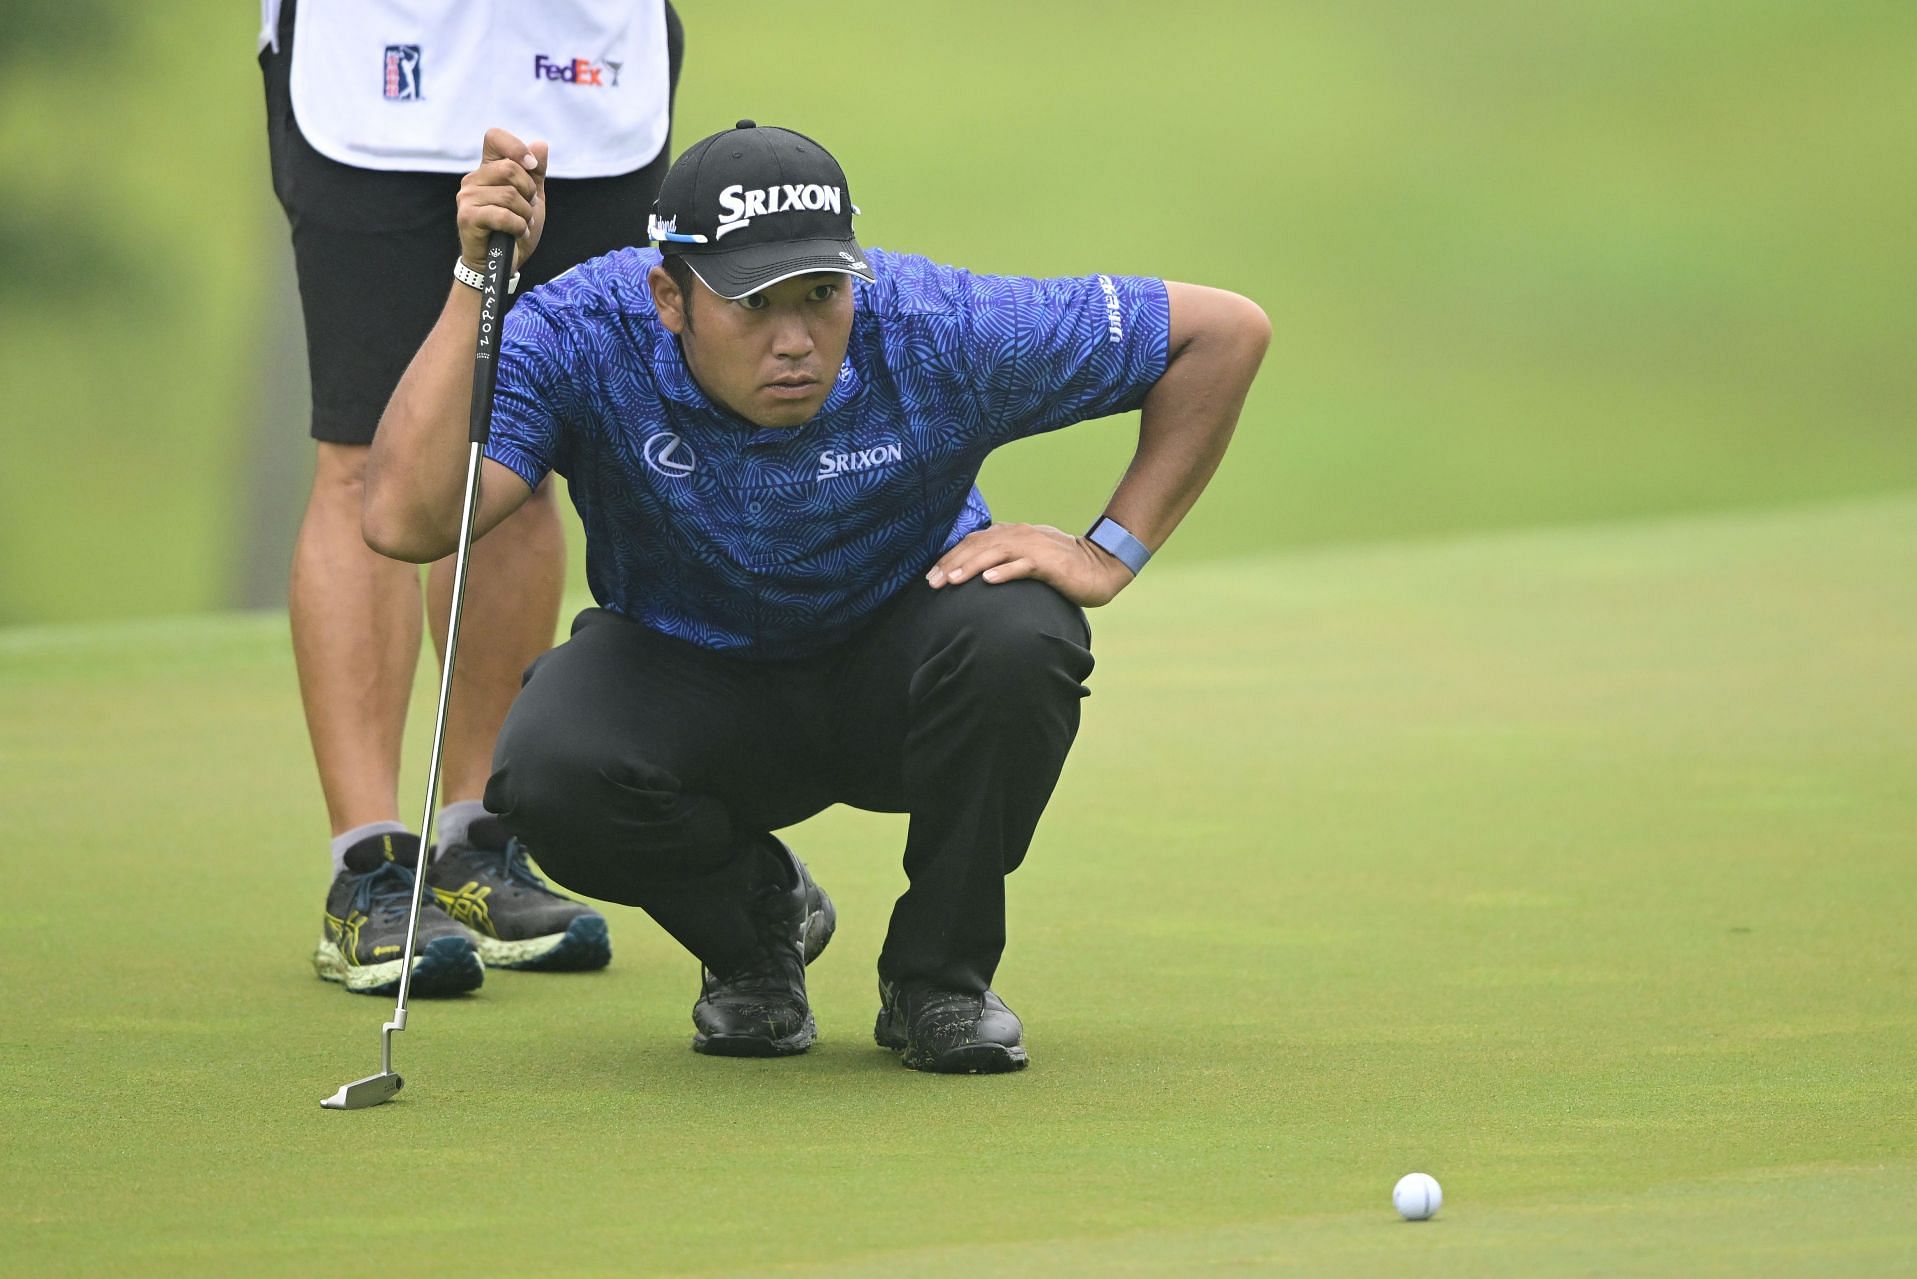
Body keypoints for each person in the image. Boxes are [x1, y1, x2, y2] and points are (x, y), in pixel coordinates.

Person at [364, 120, 1271, 1072]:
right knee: (550, 771)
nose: (796, 340)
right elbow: (406, 520)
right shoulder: (585, 330)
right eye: (755, 305)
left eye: (822, 295)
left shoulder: (933, 322)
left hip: (899, 681)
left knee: (1024, 631)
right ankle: (756, 934)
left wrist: (1107, 551)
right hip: (691, 688)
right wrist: (479, 284)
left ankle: (939, 981)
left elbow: (1224, 333)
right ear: (671, 295)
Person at [256, 0, 683, 996]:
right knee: (367, 449)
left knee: (521, 452)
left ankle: (479, 843)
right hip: (376, 67)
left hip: (586, 62)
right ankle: (369, 869)